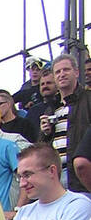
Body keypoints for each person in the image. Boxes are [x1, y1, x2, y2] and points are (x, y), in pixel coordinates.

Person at [40, 51, 91, 193]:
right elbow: (43, 148)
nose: (62, 74)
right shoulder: (51, 109)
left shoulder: (88, 99)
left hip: (82, 176)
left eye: (66, 70)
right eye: (57, 72)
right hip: (57, 178)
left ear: (76, 72)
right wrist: (45, 133)